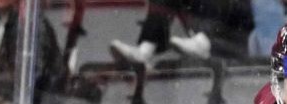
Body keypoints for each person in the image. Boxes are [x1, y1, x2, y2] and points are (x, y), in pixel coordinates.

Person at [108, 0, 256, 68]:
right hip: (202, 46)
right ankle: (145, 50)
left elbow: (245, 18)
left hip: (233, 48)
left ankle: (204, 41)